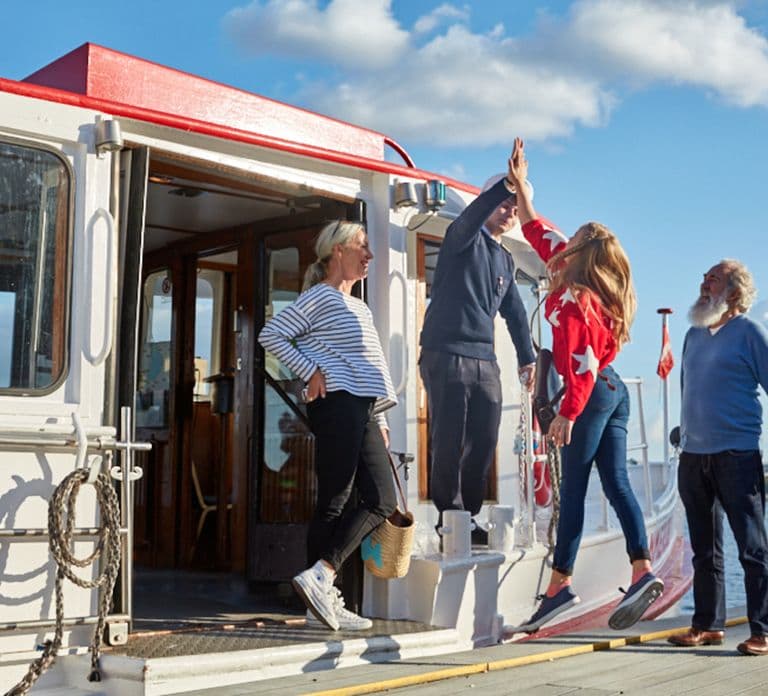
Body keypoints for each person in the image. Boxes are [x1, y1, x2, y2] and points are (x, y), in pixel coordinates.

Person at [507, 137, 662, 633]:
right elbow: (536, 229)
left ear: (578, 253)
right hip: (612, 395)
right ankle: (642, 571)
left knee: (573, 489)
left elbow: (583, 367)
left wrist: (568, 414)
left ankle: (560, 587)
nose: (563, 240)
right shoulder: (568, 271)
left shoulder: (575, 299)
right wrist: (521, 184)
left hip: (592, 395)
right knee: (615, 483)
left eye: (571, 239)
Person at [258, 220, 397, 632]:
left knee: (380, 499)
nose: (369, 256)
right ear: (338, 250)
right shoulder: (320, 297)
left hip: (364, 407)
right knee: (335, 500)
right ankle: (321, 594)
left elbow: (370, 367)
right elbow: (272, 334)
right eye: (362, 247)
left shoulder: (360, 306)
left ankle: (322, 581)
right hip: (337, 403)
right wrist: (309, 370)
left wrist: (382, 418)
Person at [418, 166, 536, 546]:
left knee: (484, 439)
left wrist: (527, 357)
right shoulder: (461, 238)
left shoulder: (505, 260)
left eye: (514, 209)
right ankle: (449, 519)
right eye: (503, 205)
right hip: (446, 352)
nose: (509, 213)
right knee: (448, 438)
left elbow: (516, 313)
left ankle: (467, 515)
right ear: (484, 205)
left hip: (485, 360)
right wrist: (509, 182)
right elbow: (471, 216)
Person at [667, 260, 768, 656]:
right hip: (693, 456)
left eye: (715, 278)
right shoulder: (693, 334)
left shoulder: (750, 333)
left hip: (736, 456)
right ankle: (707, 625)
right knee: (703, 548)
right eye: (705, 277)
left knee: (752, 547)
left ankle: (762, 629)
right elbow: (688, 388)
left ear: (735, 292)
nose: (705, 282)